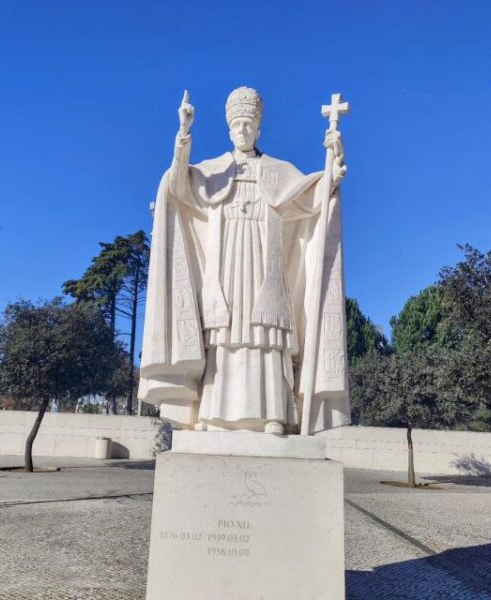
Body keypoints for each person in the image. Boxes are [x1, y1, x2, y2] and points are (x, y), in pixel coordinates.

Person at [138, 87, 351, 435]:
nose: (242, 131)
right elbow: (179, 185)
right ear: (228, 129)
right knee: (225, 336)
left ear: (259, 128)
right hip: (225, 267)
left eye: (248, 124)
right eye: (237, 125)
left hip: (264, 266)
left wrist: (332, 170)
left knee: (265, 335)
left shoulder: (278, 171)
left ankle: (272, 415)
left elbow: (309, 199)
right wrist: (184, 135)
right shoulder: (213, 171)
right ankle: (214, 414)